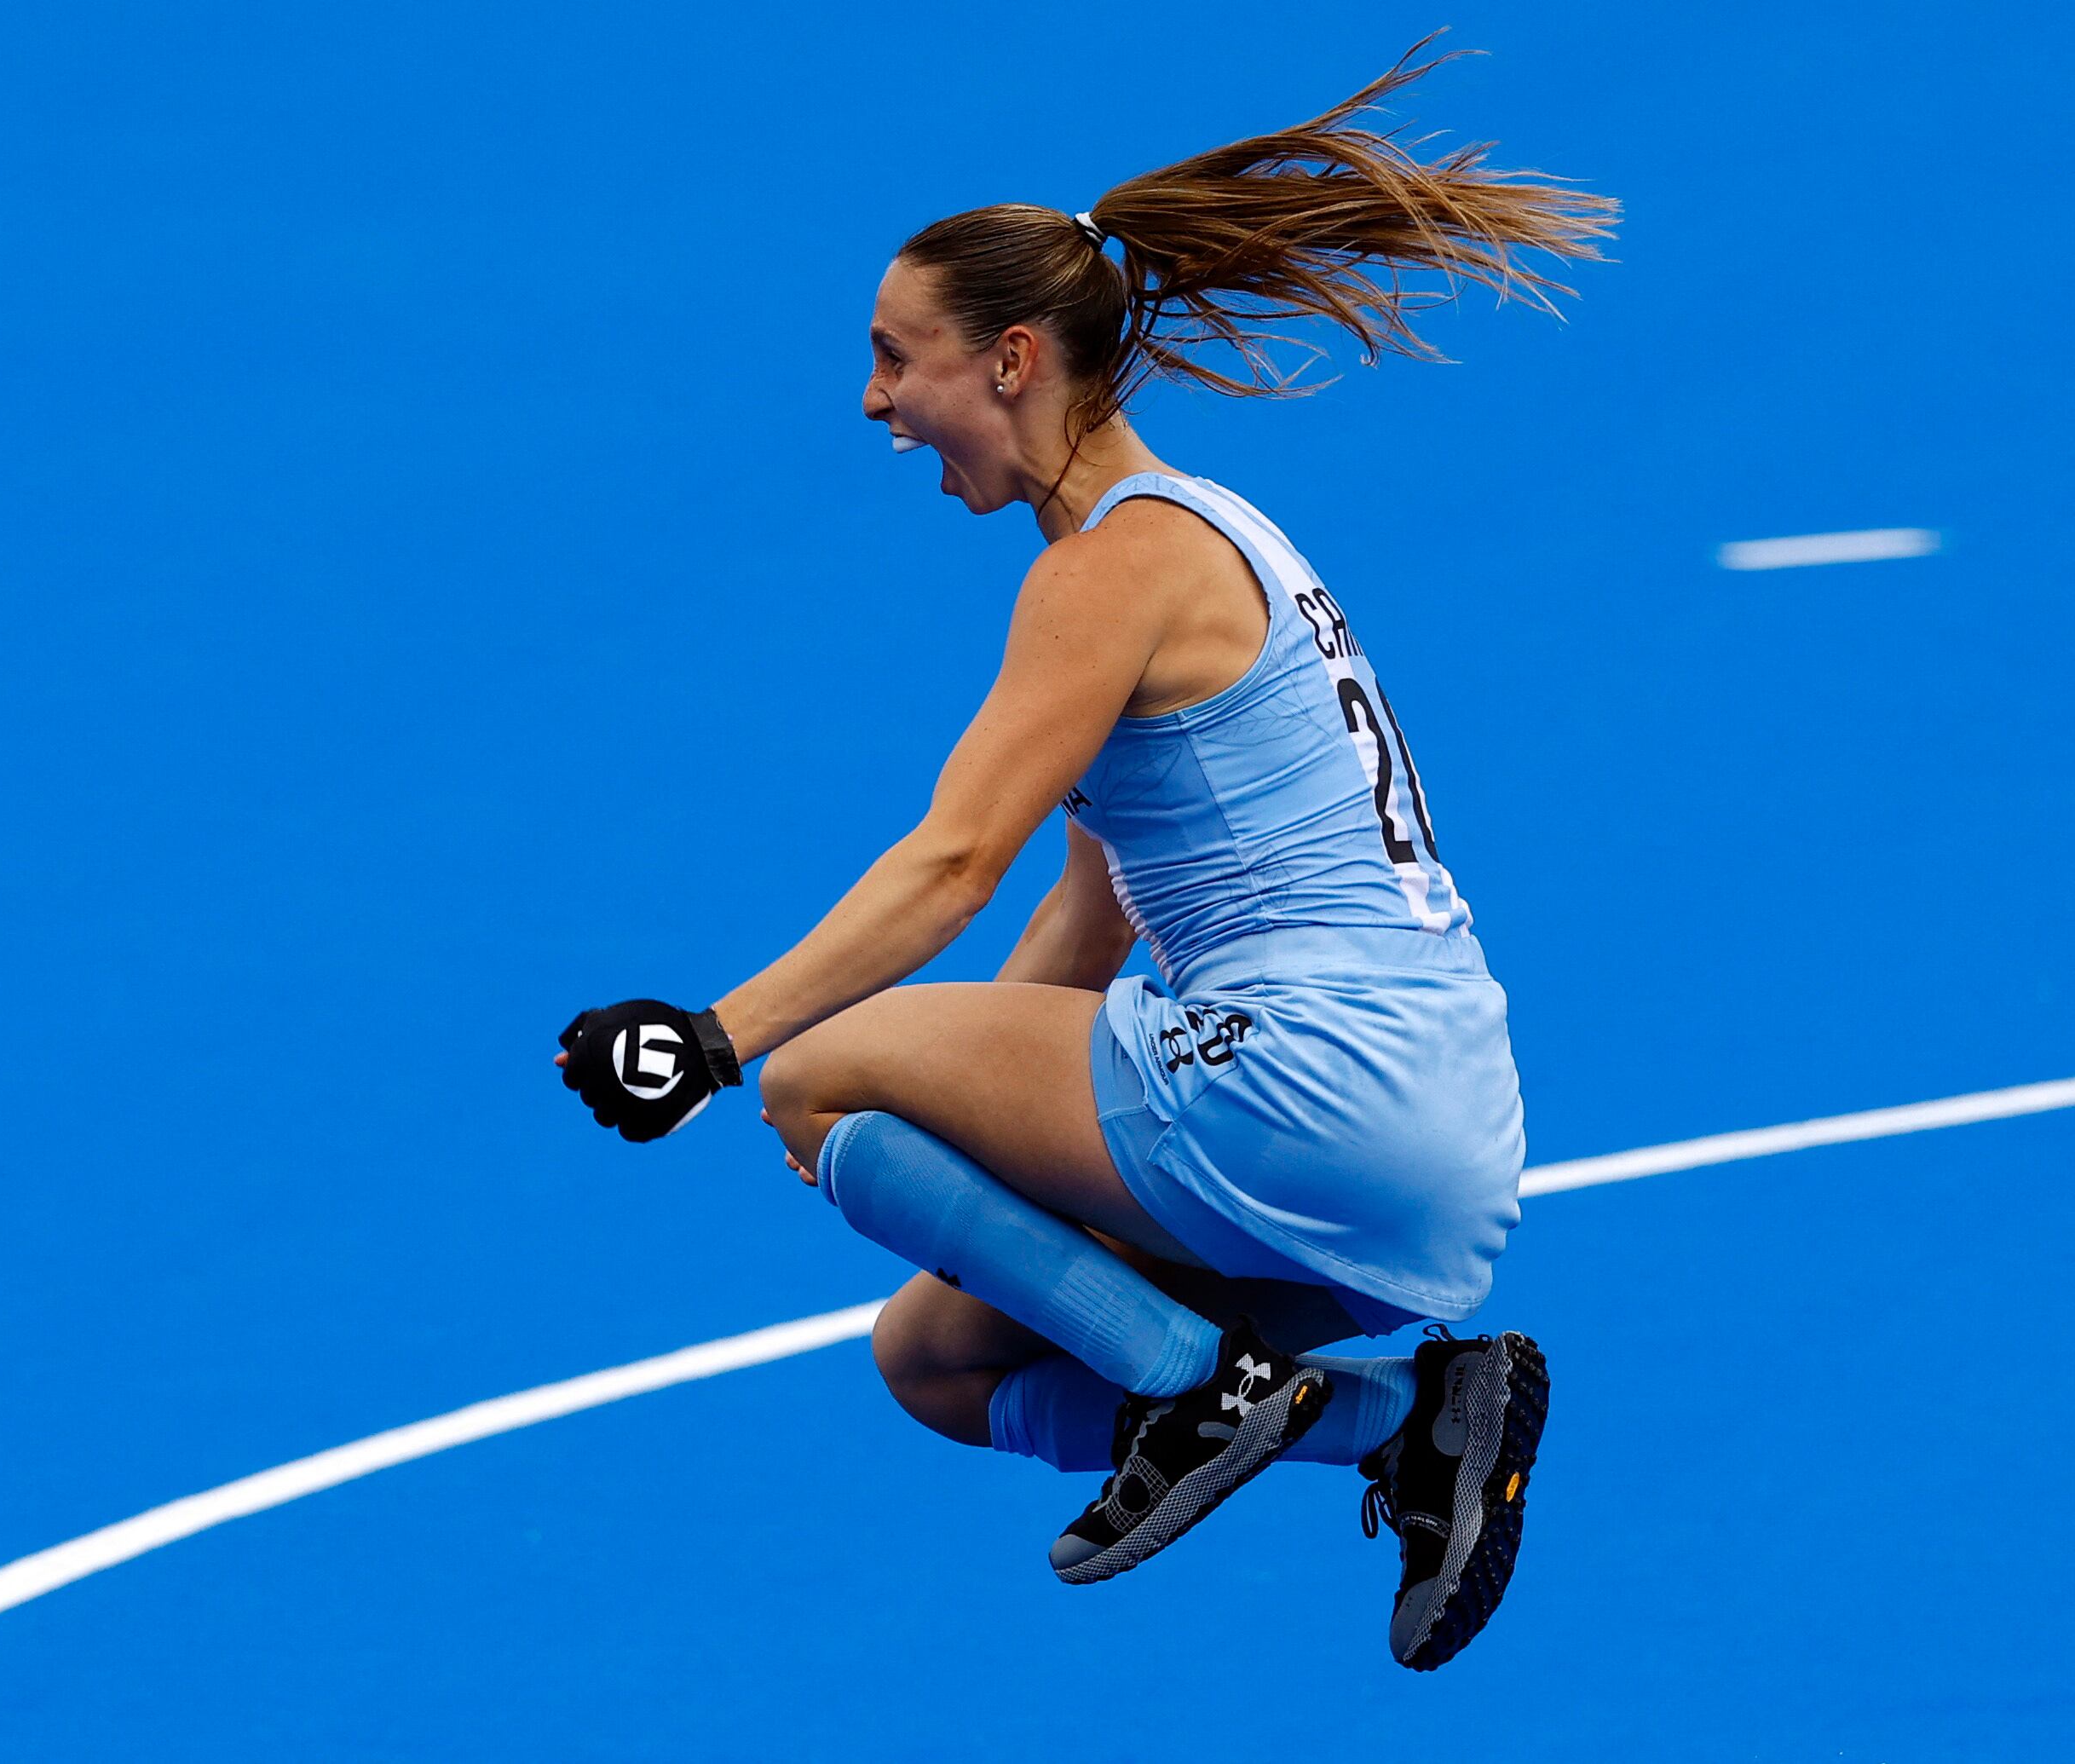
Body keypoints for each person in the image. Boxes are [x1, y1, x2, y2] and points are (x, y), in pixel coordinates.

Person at [556, 39, 1613, 1670]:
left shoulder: (1110, 572)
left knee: (812, 1081)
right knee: (937, 1356)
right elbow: (1087, 911)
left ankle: (1208, 1388)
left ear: (1014, 359)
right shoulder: (1220, 535)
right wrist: (945, 1121)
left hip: (1312, 1080)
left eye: (897, 358)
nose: (875, 401)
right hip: (1445, 1126)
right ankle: (1415, 1420)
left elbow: (953, 862)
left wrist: (719, 1041)